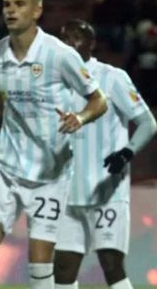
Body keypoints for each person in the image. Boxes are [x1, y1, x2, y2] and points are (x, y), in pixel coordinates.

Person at [0, 0, 108, 289]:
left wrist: (80, 118)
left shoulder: (60, 55)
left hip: (50, 173)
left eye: (20, 4)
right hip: (6, 167)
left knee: (40, 258)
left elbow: (99, 101)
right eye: (7, 4)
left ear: (37, 10)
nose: (11, 10)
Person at [54, 20, 157, 289]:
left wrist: (126, 152)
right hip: (68, 192)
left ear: (92, 43)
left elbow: (148, 123)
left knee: (111, 264)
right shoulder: (54, 83)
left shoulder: (112, 77)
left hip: (107, 189)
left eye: (76, 37)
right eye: (64, 38)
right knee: (63, 268)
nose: (68, 43)